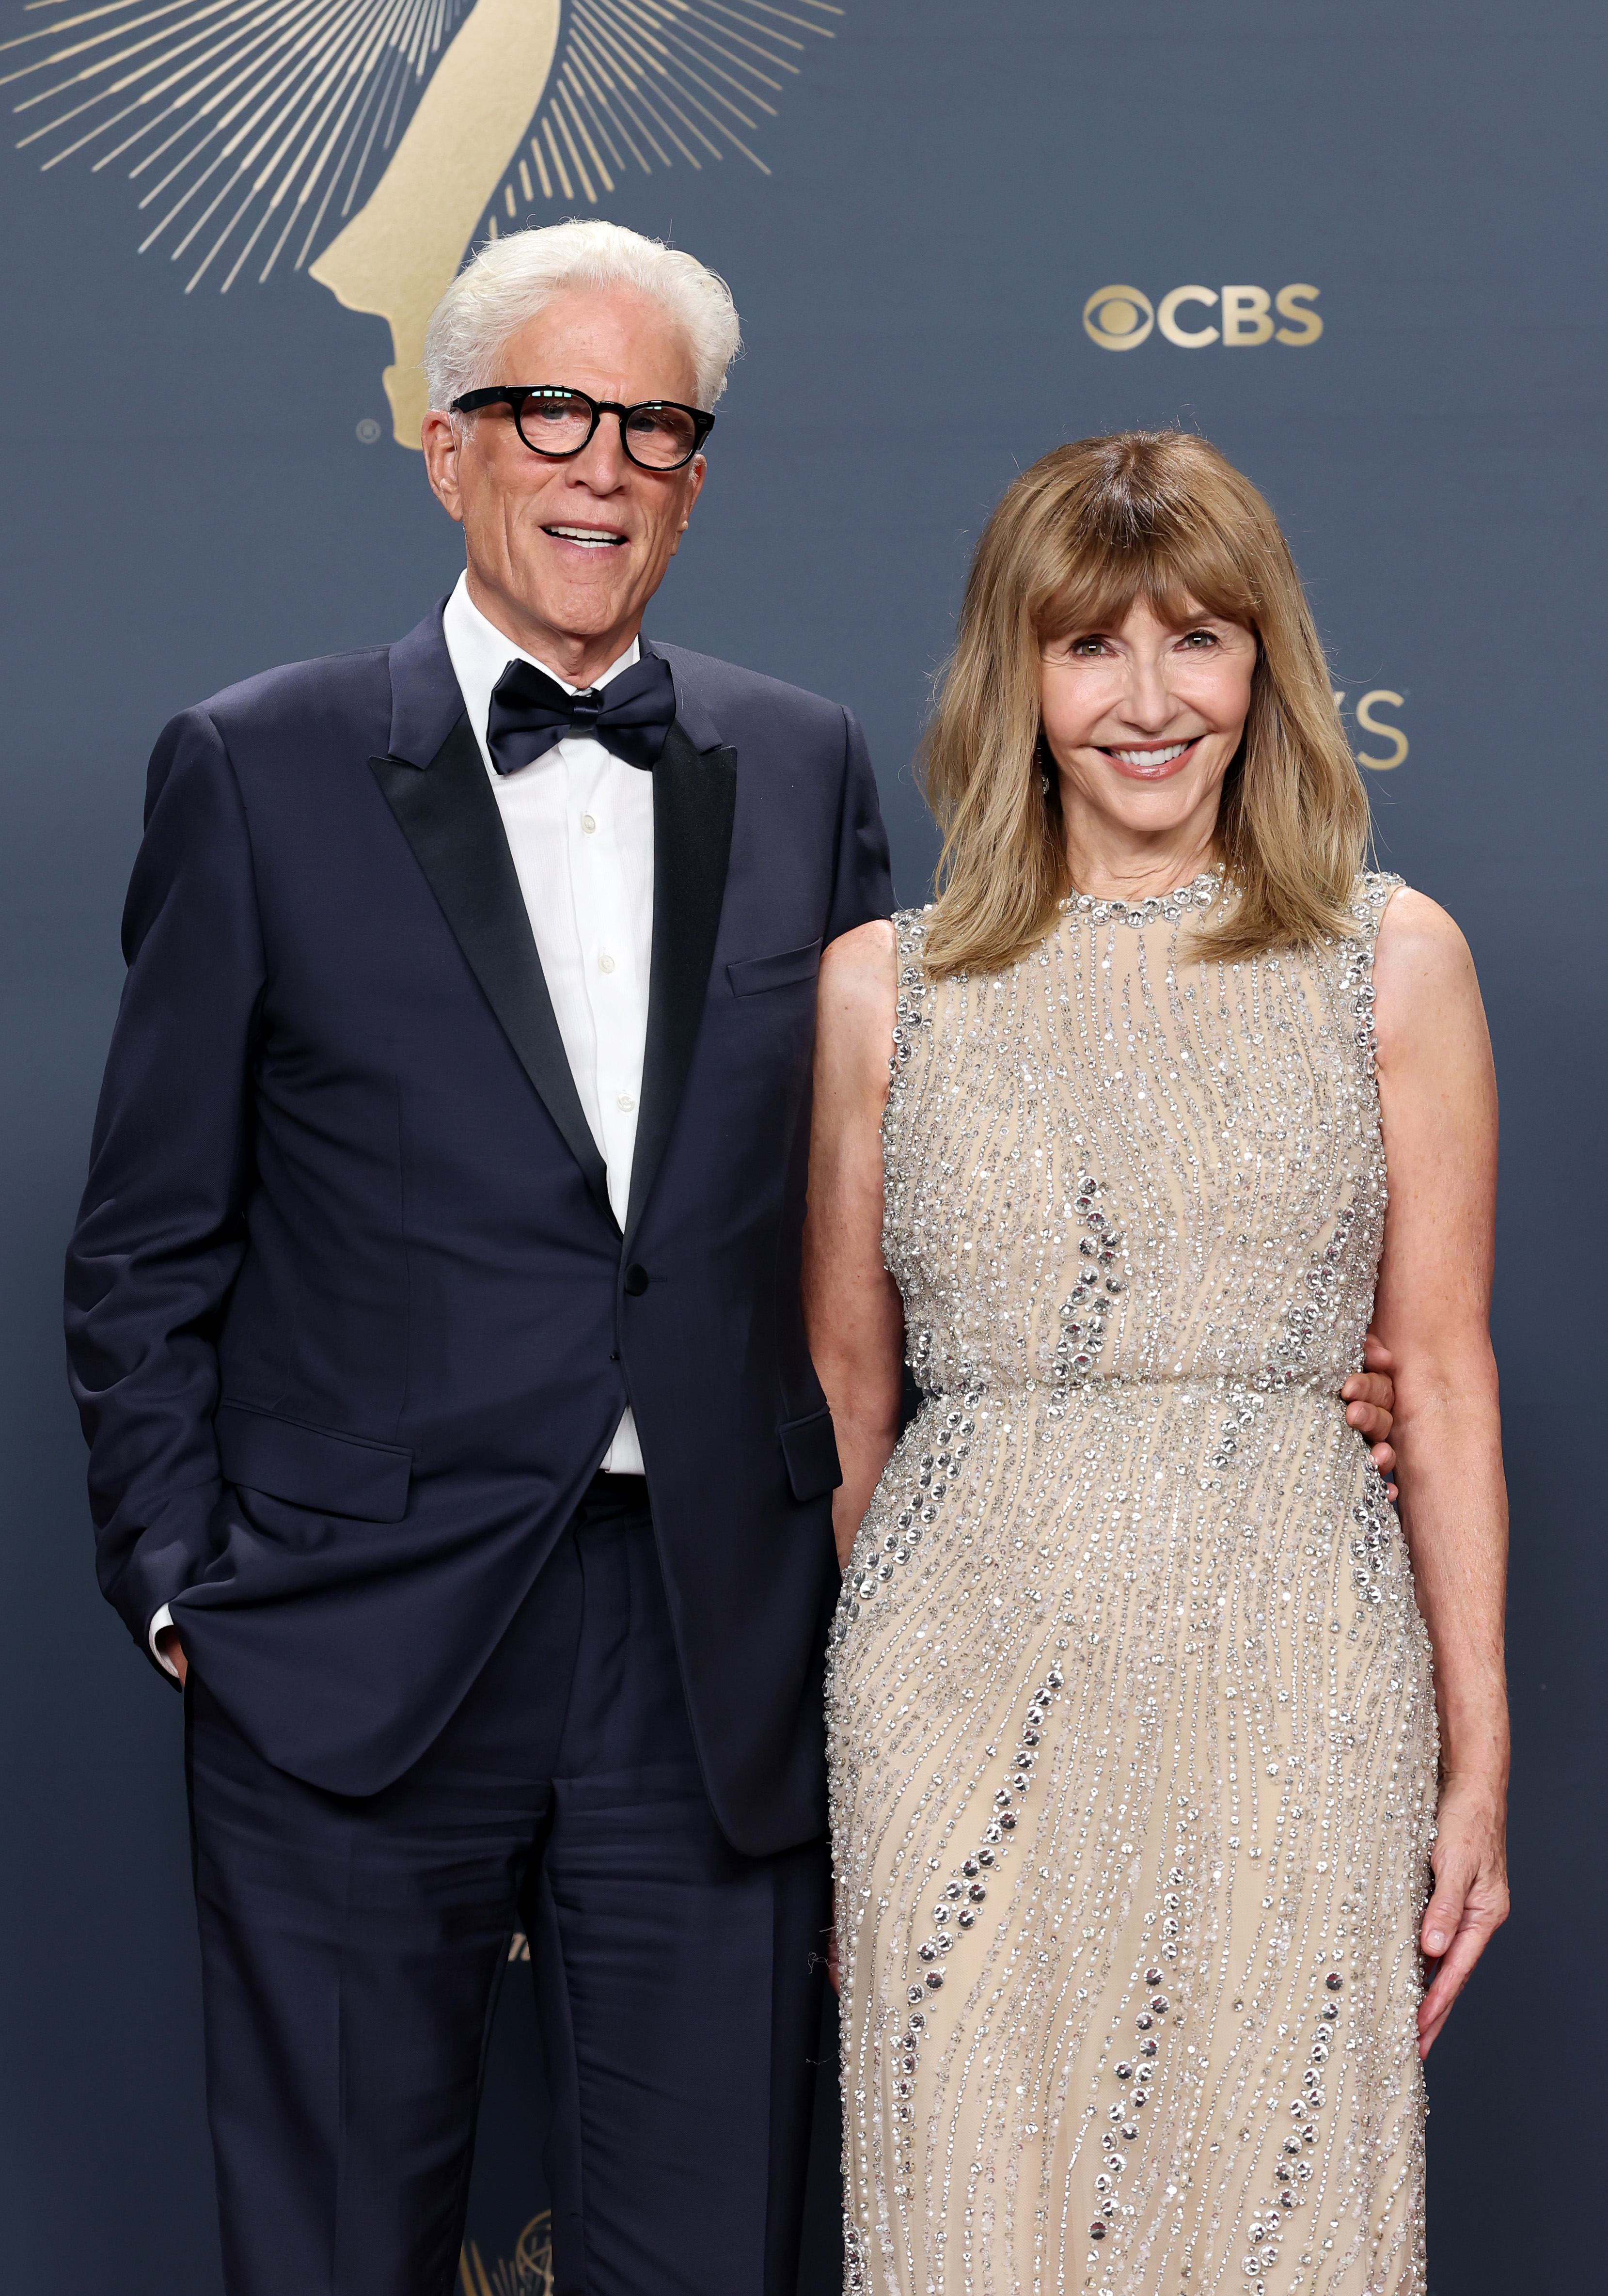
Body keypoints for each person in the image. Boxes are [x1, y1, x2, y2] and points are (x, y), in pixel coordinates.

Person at [64, 219, 893, 2296]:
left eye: (653, 428)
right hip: (349, 1641)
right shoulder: (253, 765)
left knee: (715, 2253)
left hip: (715, 1642)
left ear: (697, 479)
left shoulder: (804, 770)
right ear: (448, 446)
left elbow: (877, 1211)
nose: (598, 466)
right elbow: (147, 1239)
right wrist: (190, 1602)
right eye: (550, 411)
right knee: (335, 2251)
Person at [805, 432, 1507, 2296]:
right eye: (1087, 645)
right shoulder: (887, 987)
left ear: (1263, 664)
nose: (1145, 700)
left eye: (1195, 639)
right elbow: (848, 1409)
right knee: (974, 2210)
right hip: (951, 1687)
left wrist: (1480, 1767)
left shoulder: (1393, 959)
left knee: (1276, 2212)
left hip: (1296, 1679)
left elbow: (1437, 1381)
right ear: (1013, 681)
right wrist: (853, 1747)